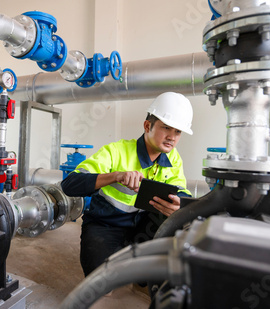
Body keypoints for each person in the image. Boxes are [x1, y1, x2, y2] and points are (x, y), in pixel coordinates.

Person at [61, 92, 193, 277]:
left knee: (180, 226)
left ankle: (142, 272)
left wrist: (178, 203)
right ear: (148, 126)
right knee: (100, 284)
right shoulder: (116, 151)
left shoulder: (173, 158)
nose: (172, 137)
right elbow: (70, 184)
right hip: (106, 225)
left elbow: (181, 190)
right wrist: (115, 176)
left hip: (143, 225)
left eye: (177, 131)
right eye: (166, 128)